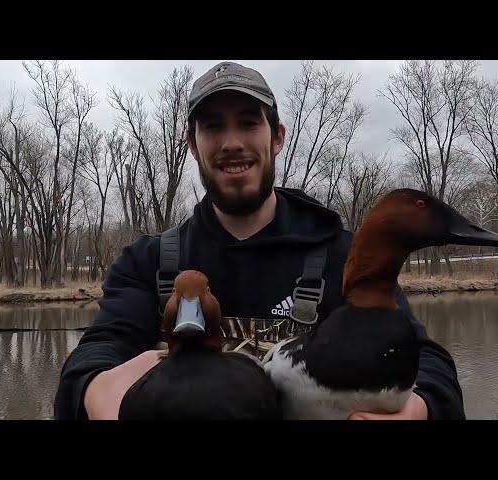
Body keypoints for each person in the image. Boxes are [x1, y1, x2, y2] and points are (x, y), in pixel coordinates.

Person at [54, 61, 466, 420]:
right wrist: (94, 392)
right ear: (193, 146)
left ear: (277, 137)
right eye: (213, 126)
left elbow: (425, 360)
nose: (232, 142)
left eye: (249, 122)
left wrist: (420, 407)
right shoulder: (148, 263)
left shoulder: (340, 255)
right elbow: (96, 353)